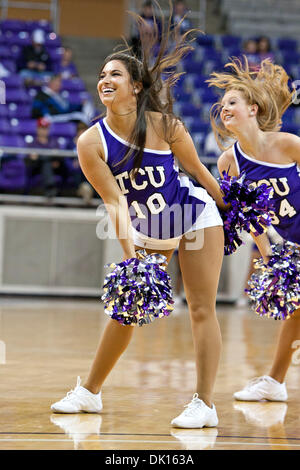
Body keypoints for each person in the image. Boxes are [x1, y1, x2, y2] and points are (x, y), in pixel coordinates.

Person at [50, 9, 227, 429]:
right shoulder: (90, 142)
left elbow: (201, 175)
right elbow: (114, 203)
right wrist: (131, 260)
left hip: (192, 213)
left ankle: (204, 403)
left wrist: (235, 211)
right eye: (101, 75)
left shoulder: (166, 126)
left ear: (136, 87)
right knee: (126, 308)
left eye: (115, 75)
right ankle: (89, 392)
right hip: (148, 227)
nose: (105, 80)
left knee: (201, 307)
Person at [207, 56, 300, 402]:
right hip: (290, 241)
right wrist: (271, 258)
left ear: (254, 108)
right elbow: (251, 217)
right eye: (222, 104)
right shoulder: (228, 162)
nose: (224, 108)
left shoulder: (288, 144)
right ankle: (275, 383)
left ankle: (275, 381)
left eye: (232, 102)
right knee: (295, 309)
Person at [26, 117, 68, 197]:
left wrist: (56, 160)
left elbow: (59, 157)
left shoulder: (54, 142)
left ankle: (51, 189)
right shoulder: (32, 144)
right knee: (45, 163)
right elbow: (30, 160)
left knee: (48, 163)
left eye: (45, 128)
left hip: (54, 168)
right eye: (41, 128)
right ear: (37, 129)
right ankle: (51, 188)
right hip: (37, 168)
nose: (43, 131)